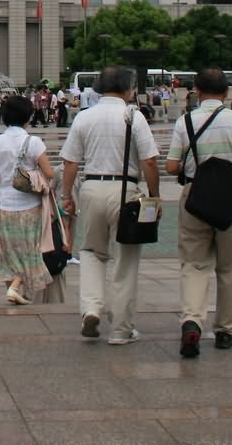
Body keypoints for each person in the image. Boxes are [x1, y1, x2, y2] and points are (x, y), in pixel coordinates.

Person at [165, 67, 232, 358]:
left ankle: (191, 321)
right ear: (226, 93)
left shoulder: (184, 121)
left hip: (194, 199)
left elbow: (172, 167)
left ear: (196, 91)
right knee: (230, 266)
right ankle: (225, 330)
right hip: (230, 201)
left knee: (193, 263)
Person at [59, 66, 160, 347]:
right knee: (125, 260)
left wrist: (67, 195)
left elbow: (70, 163)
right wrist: (155, 195)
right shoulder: (134, 116)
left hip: (91, 187)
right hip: (126, 191)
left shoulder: (84, 117)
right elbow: (150, 161)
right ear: (129, 89)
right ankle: (121, 329)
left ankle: (91, 309)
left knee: (91, 252)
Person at [0, 94, 56, 305]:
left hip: (3, 204)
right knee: (30, 248)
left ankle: (14, 292)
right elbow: (49, 173)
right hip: (29, 206)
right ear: (28, 116)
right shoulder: (34, 142)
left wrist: (4, 177)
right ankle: (15, 287)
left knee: (6, 249)